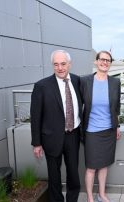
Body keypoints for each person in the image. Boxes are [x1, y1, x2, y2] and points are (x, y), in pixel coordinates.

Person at [30, 50, 82, 202]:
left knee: (73, 172)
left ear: (69, 64)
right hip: (51, 137)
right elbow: (36, 116)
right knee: (54, 175)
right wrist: (37, 143)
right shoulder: (42, 86)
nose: (60, 68)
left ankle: (72, 199)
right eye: (56, 64)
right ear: (53, 65)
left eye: (63, 64)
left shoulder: (78, 81)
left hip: (73, 135)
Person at [80, 51, 121, 202]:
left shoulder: (115, 83)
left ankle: (101, 194)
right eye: (102, 59)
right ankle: (90, 197)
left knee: (104, 166)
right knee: (91, 167)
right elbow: (79, 105)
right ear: (96, 62)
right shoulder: (85, 81)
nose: (105, 62)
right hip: (91, 131)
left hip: (109, 131)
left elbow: (116, 107)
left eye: (108, 60)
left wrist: (116, 126)